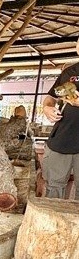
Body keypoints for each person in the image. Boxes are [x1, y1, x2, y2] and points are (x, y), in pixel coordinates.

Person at [41, 40, 79, 200]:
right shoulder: (70, 72)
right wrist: (47, 107)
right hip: (61, 140)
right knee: (53, 189)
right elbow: (52, 97)